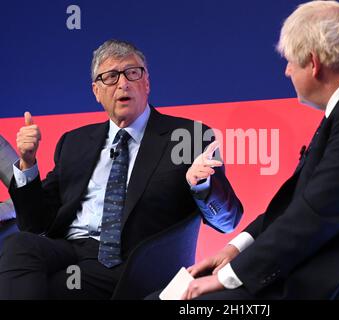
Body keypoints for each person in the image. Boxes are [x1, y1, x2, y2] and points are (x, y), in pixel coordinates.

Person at [174, 0, 339, 300]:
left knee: (188, 303)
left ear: (313, 62)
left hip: (335, 284)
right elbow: (299, 205)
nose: (286, 71)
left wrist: (230, 277)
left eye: (289, 61)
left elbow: (317, 214)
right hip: (312, 268)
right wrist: (236, 249)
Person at [0, 39, 243, 299]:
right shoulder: (75, 141)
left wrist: (202, 185)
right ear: (96, 91)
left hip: (133, 261)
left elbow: (228, 221)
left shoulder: (187, 136)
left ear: (146, 83)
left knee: (48, 287)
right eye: (111, 76)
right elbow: (35, 223)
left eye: (132, 73)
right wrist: (27, 163)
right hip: (70, 250)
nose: (123, 83)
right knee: (18, 243)